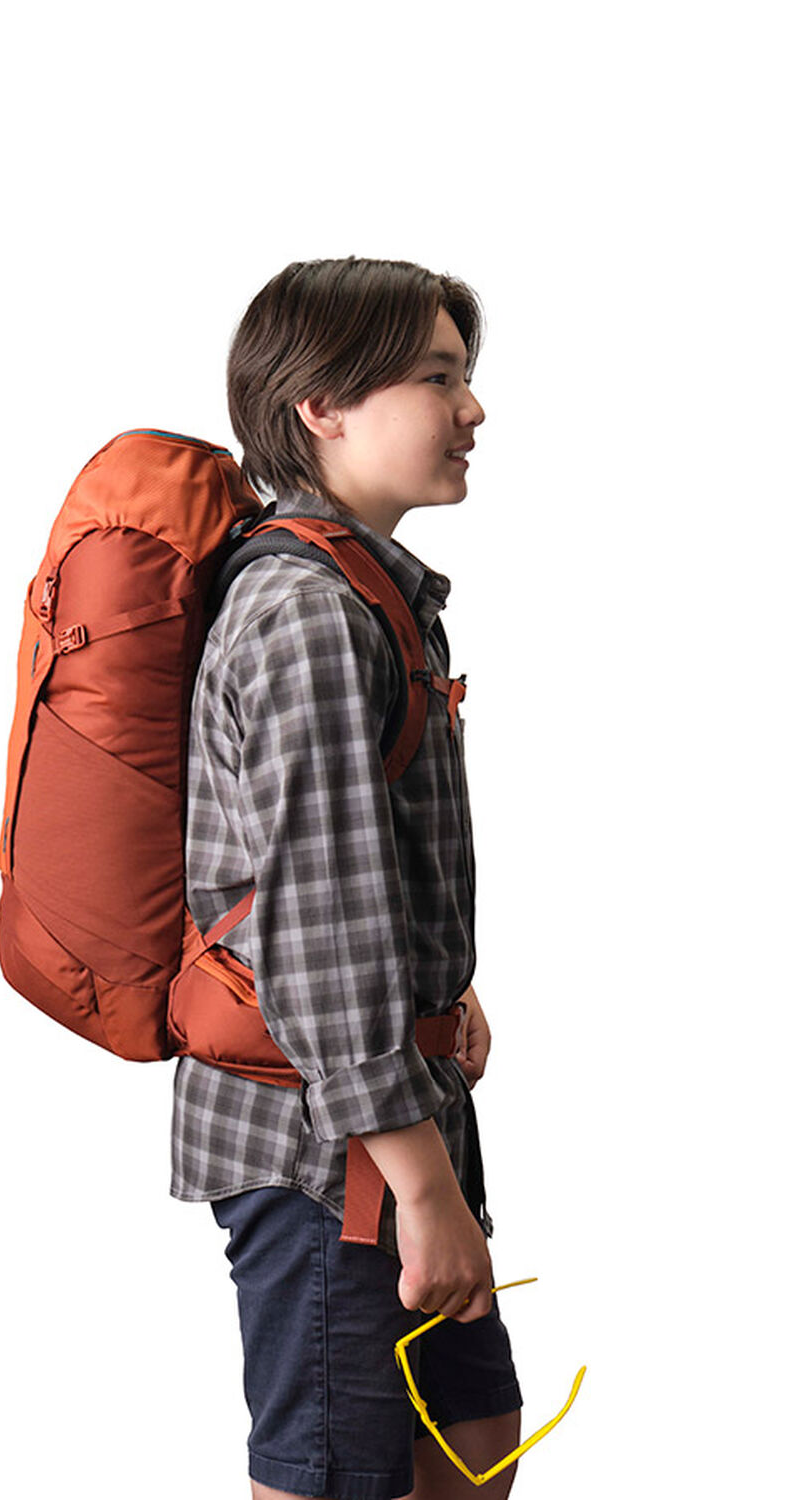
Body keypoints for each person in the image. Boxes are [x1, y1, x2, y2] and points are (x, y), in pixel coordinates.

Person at [171, 257, 522, 1500]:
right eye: (436, 378)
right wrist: (421, 1190)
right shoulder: (309, 614)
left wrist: (441, 991)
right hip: (331, 1152)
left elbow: (345, 871)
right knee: (337, 1478)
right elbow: (318, 938)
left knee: (470, 1447)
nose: (472, 408)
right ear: (320, 404)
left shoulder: (364, 591)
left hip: (387, 1116)